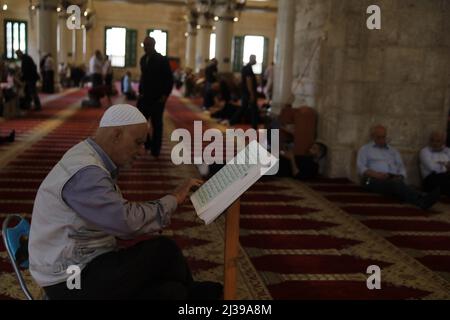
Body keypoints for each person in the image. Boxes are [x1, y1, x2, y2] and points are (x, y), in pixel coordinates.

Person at [29, 104, 223, 300]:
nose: (141, 151)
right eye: (138, 142)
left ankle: (195, 297)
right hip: (71, 281)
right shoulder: (87, 173)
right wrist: (172, 200)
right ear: (116, 135)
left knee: (171, 292)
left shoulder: (88, 156)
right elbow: (125, 222)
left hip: (82, 266)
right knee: (164, 251)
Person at [357, 125, 440, 210]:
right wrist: (376, 175)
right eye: (378, 137)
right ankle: (421, 201)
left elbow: (401, 167)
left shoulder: (393, 151)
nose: (381, 140)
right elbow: (361, 168)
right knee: (395, 185)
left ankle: (423, 196)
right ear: (373, 136)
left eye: (383, 137)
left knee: (398, 184)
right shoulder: (365, 149)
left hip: (391, 178)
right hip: (370, 180)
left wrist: (400, 176)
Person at [137, 36, 174, 157]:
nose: (145, 48)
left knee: (157, 124)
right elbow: (143, 77)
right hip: (144, 97)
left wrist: (165, 95)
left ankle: (155, 149)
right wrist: (140, 91)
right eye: (144, 45)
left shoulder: (162, 60)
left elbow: (169, 79)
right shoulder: (143, 59)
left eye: (147, 45)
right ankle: (147, 143)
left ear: (153, 45)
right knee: (141, 123)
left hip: (157, 98)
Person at [230, 55, 259, 129]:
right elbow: (248, 81)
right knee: (253, 109)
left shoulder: (245, 68)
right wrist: (251, 93)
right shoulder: (248, 68)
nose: (256, 61)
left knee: (244, 107)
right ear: (252, 59)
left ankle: (233, 121)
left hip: (245, 92)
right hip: (248, 92)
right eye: (255, 59)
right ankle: (254, 125)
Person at [420, 131, 450, 196]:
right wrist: (446, 166)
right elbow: (432, 167)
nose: (434, 143)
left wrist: (442, 164)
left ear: (443, 142)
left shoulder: (447, 151)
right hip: (431, 179)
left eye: (438, 141)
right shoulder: (425, 151)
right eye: (432, 140)